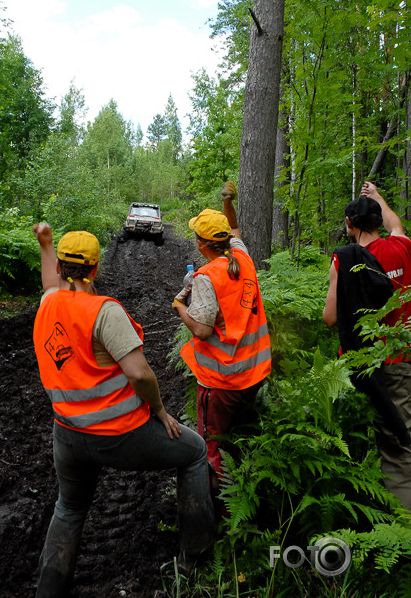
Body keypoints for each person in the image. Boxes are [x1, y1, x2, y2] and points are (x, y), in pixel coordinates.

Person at [32, 223, 216, 596]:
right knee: (195, 452)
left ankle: (48, 590)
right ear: (96, 268)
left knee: (68, 508)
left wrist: (46, 243)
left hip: (66, 433)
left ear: (60, 269)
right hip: (119, 434)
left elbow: (49, 282)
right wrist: (160, 410)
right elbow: (139, 373)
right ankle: (197, 555)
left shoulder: (49, 301)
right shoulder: (105, 312)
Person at [172, 182, 272, 490]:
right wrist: (229, 202)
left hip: (222, 380)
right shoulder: (243, 257)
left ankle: (219, 508)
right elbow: (237, 229)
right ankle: (244, 492)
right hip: (254, 372)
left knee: (211, 446)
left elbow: (201, 329)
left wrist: (179, 305)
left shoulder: (206, 278)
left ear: (201, 244)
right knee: (239, 436)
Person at [323, 181, 411, 510]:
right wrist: (377, 197)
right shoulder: (402, 248)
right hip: (403, 356)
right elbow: (397, 226)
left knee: (397, 446)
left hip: (367, 366)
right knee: (401, 430)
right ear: (377, 223)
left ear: (350, 224)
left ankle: (404, 532)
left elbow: (330, 318)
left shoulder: (344, 260)